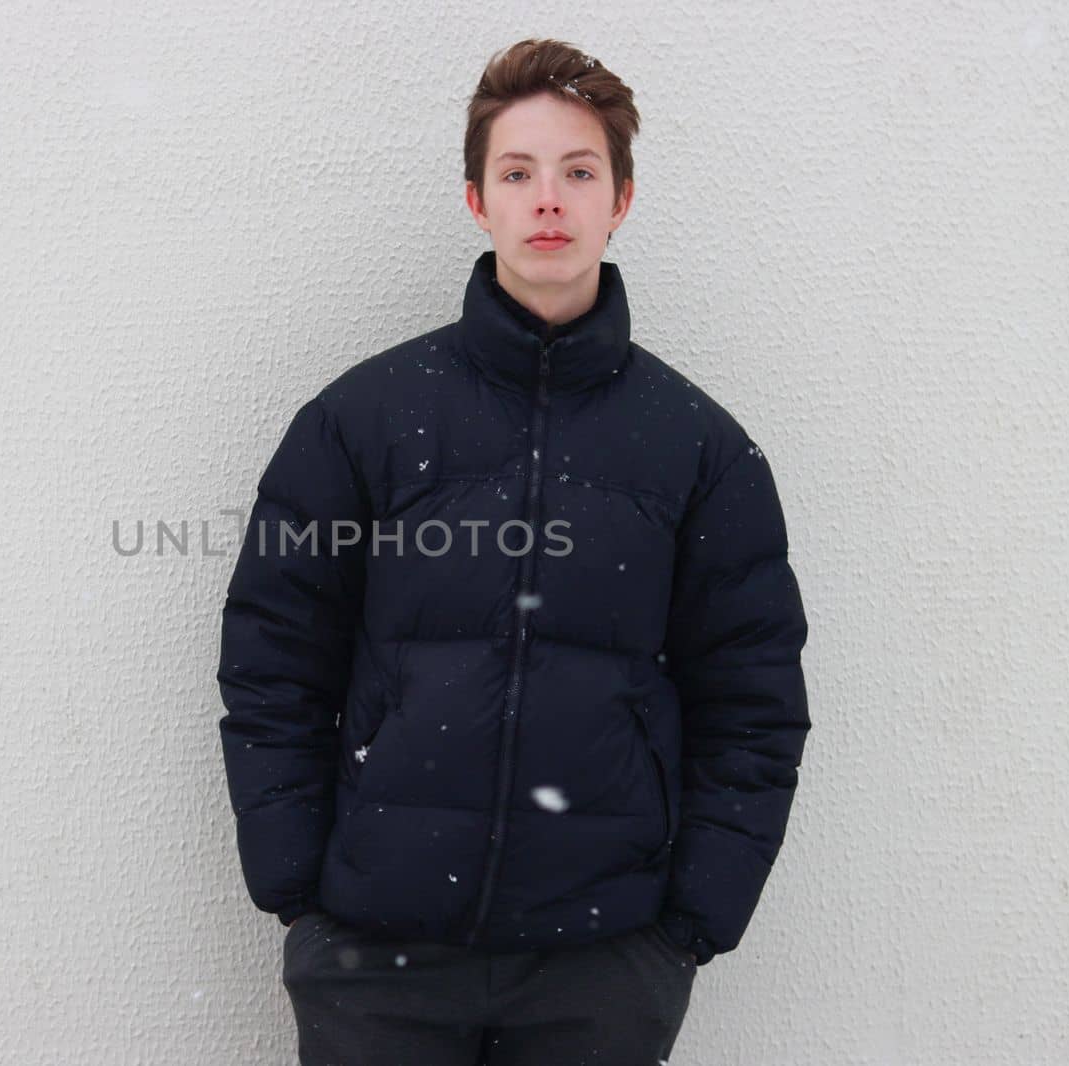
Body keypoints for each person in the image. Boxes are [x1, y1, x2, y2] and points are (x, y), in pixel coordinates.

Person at [216, 37, 811, 1065]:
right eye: (518, 172)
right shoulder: (362, 419)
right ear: (474, 199)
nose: (549, 199)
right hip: (377, 956)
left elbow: (752, 700)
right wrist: (299, 896)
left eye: (579, 172)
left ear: (620, 200)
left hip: (601, 966)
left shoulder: (698, 448)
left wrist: (686, 930)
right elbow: (272, 660)